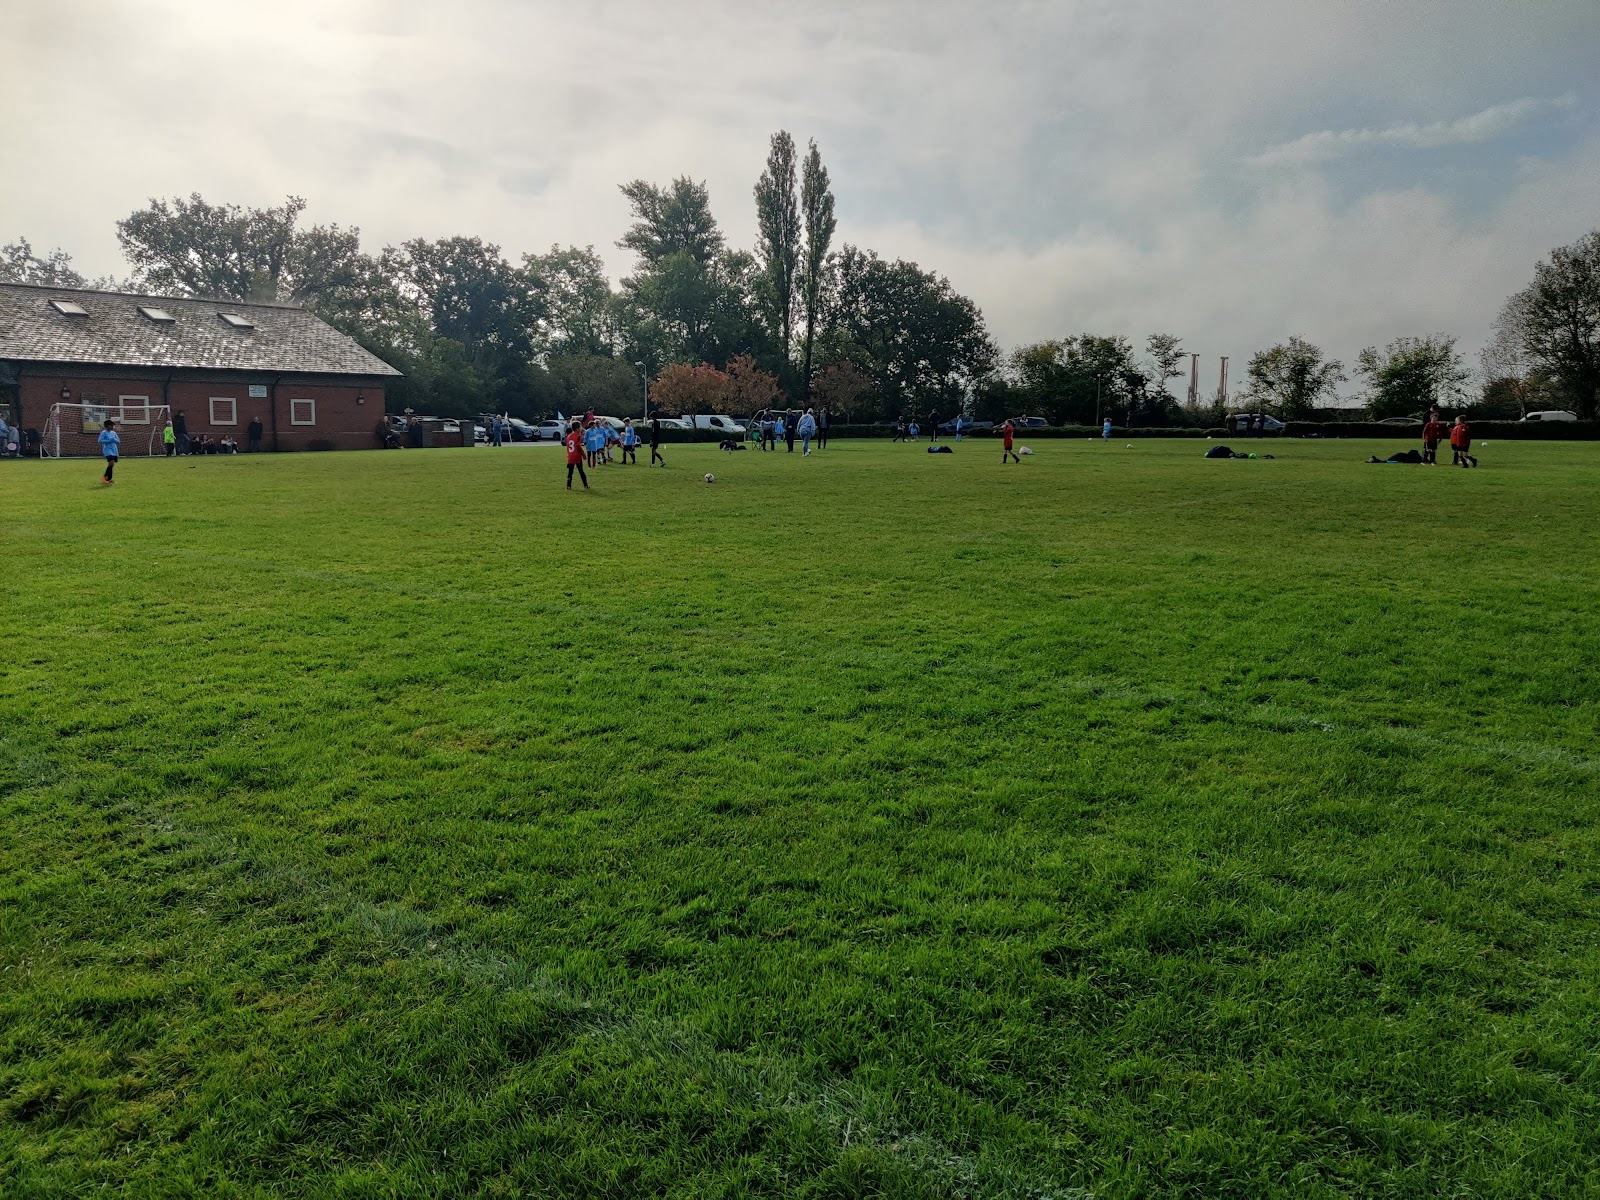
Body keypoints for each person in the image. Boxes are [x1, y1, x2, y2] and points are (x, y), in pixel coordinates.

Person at [563, 418, 589, 489]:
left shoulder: (568, 436)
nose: (581, 429)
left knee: (570, 471)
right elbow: (578, 446)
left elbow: (568, 446)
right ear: (577, 429)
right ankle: (585, 485)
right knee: (581, 470)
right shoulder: (578, 436)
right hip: (577, 456)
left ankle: (568, 485)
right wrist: (583, 454)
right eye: (580, 427)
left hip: (570, 456)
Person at [98, 418, 120, 484]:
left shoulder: (114, 433)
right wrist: (109, 440)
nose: (113, 426)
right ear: (107, 426)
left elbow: (118, 441)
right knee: (111, 462)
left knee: (111, 465)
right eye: (111, 425)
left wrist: (114, 440)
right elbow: (100, 441)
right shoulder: (103, 433)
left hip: (114, 450)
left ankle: (108, 479)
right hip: (107, 449)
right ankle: (105, 477)